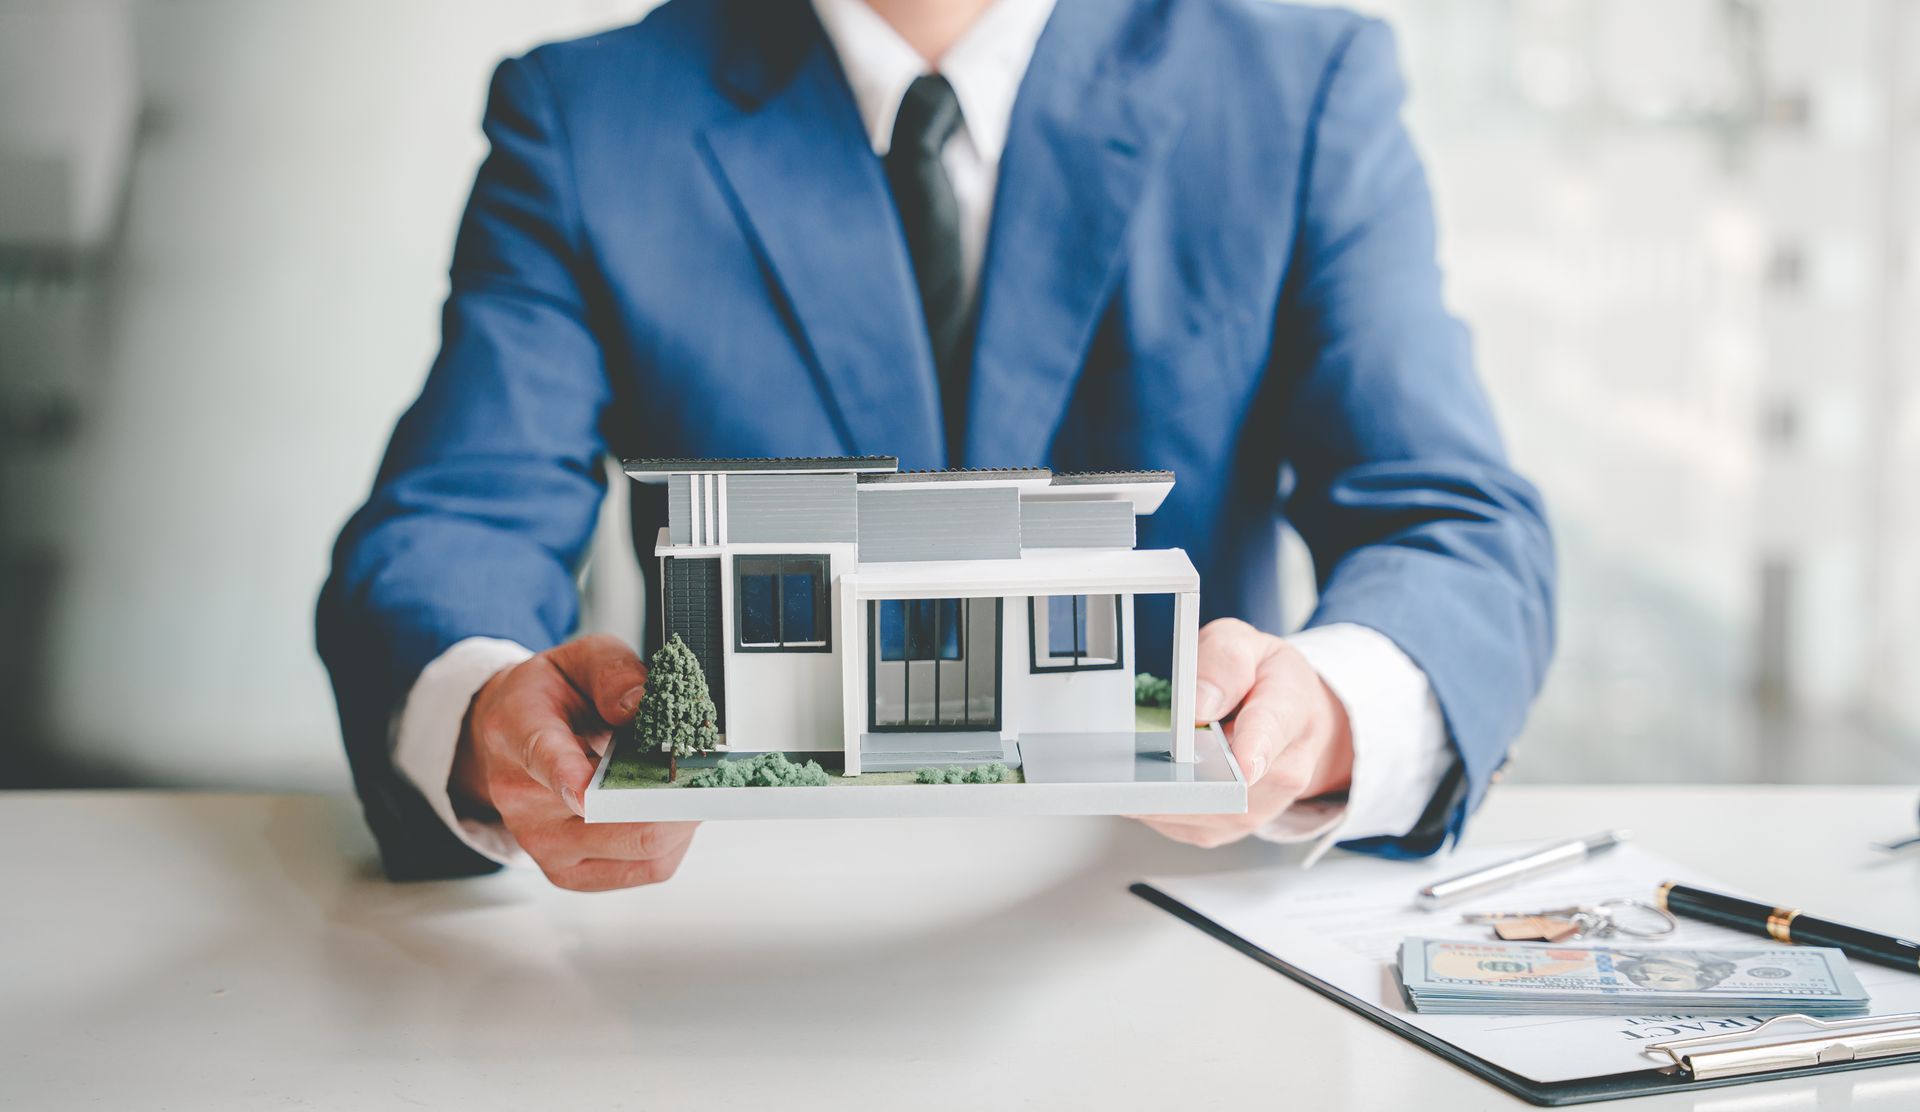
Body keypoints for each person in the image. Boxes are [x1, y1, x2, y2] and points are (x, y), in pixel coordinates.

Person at [318, 0, 1555, 889]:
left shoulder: (1302, 88)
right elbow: (456, 518)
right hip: (729, 919)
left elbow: (1450, 522)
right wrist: (487, 711)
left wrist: (1328, 713)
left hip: (1167, 906)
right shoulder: (586, 119)